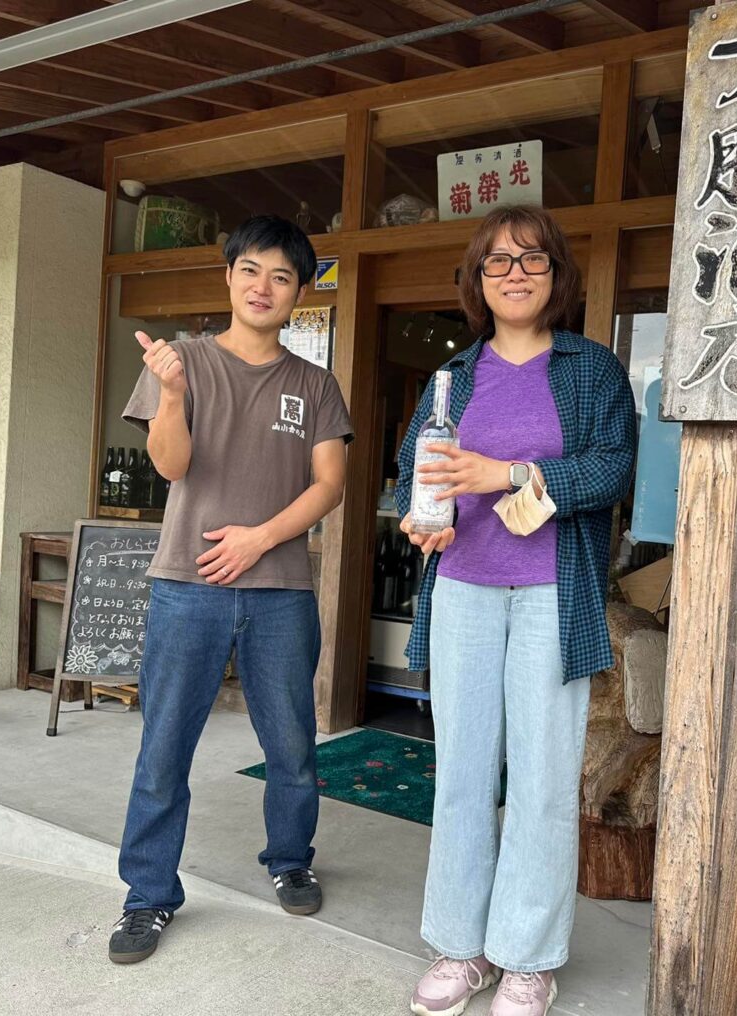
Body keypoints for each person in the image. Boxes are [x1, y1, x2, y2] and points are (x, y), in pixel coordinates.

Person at [397, 206, 636, 1016]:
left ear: (557, 275)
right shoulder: (453, 376)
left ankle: (528, 958)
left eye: (533, 259)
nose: (515, 274)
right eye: (497, 261)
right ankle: (460, 946)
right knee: (462, 773)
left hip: (550, 595)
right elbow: (416, 468)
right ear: (477, 279)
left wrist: (505, 473)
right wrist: (419, 518)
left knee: (541, 778)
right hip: (463, 588)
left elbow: (611, 469)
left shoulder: (590, 368)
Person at [108, 214, 353, 964]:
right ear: (229, 276)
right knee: (163, 748)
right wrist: (171, 395)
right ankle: (147, 895)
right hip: (188, 585)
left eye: (282, 276)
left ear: (299, 293)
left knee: (293, 745)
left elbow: (330, 485)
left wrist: (258, 538)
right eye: (251, 270)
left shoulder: (314, 383)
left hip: (280, 589)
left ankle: (290, 858)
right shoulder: (181, 360)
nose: (263, 287)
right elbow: (172, 466)